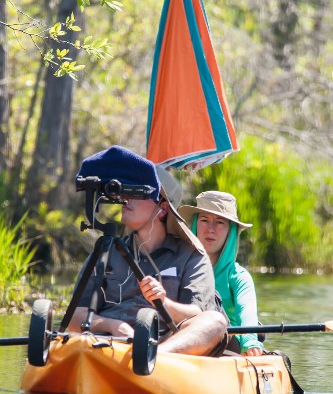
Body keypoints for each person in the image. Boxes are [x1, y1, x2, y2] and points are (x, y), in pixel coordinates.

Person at [67, 146, 228, 357]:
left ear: (162, 209)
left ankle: (153, 358)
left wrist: (163, 302)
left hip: (164, 347)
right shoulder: (106, 250)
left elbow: (196, 314)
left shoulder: (191, 257)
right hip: (107, 343)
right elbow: (74, 316)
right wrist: (112, 324)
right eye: (125, 191)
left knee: (215, 321)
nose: (126, 199)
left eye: (137, 192)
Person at [179, 191, 264, 356]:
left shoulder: (239, 277)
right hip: (184, 337)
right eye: (204, 220)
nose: (210, 229)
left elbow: (246, 312)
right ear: (195, 225)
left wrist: (250, 342)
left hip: (227, 345)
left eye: (219, 222)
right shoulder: (180, 267)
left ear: (230, 231)